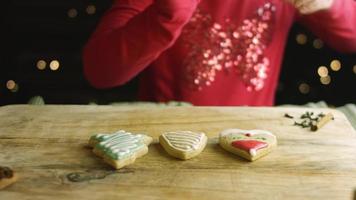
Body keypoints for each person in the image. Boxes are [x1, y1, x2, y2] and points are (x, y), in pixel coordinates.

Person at [83, 0, 356, 106]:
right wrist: (168, 13)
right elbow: (100, 71)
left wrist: (329, 4)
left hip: (253, 142)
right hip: (162, 141)